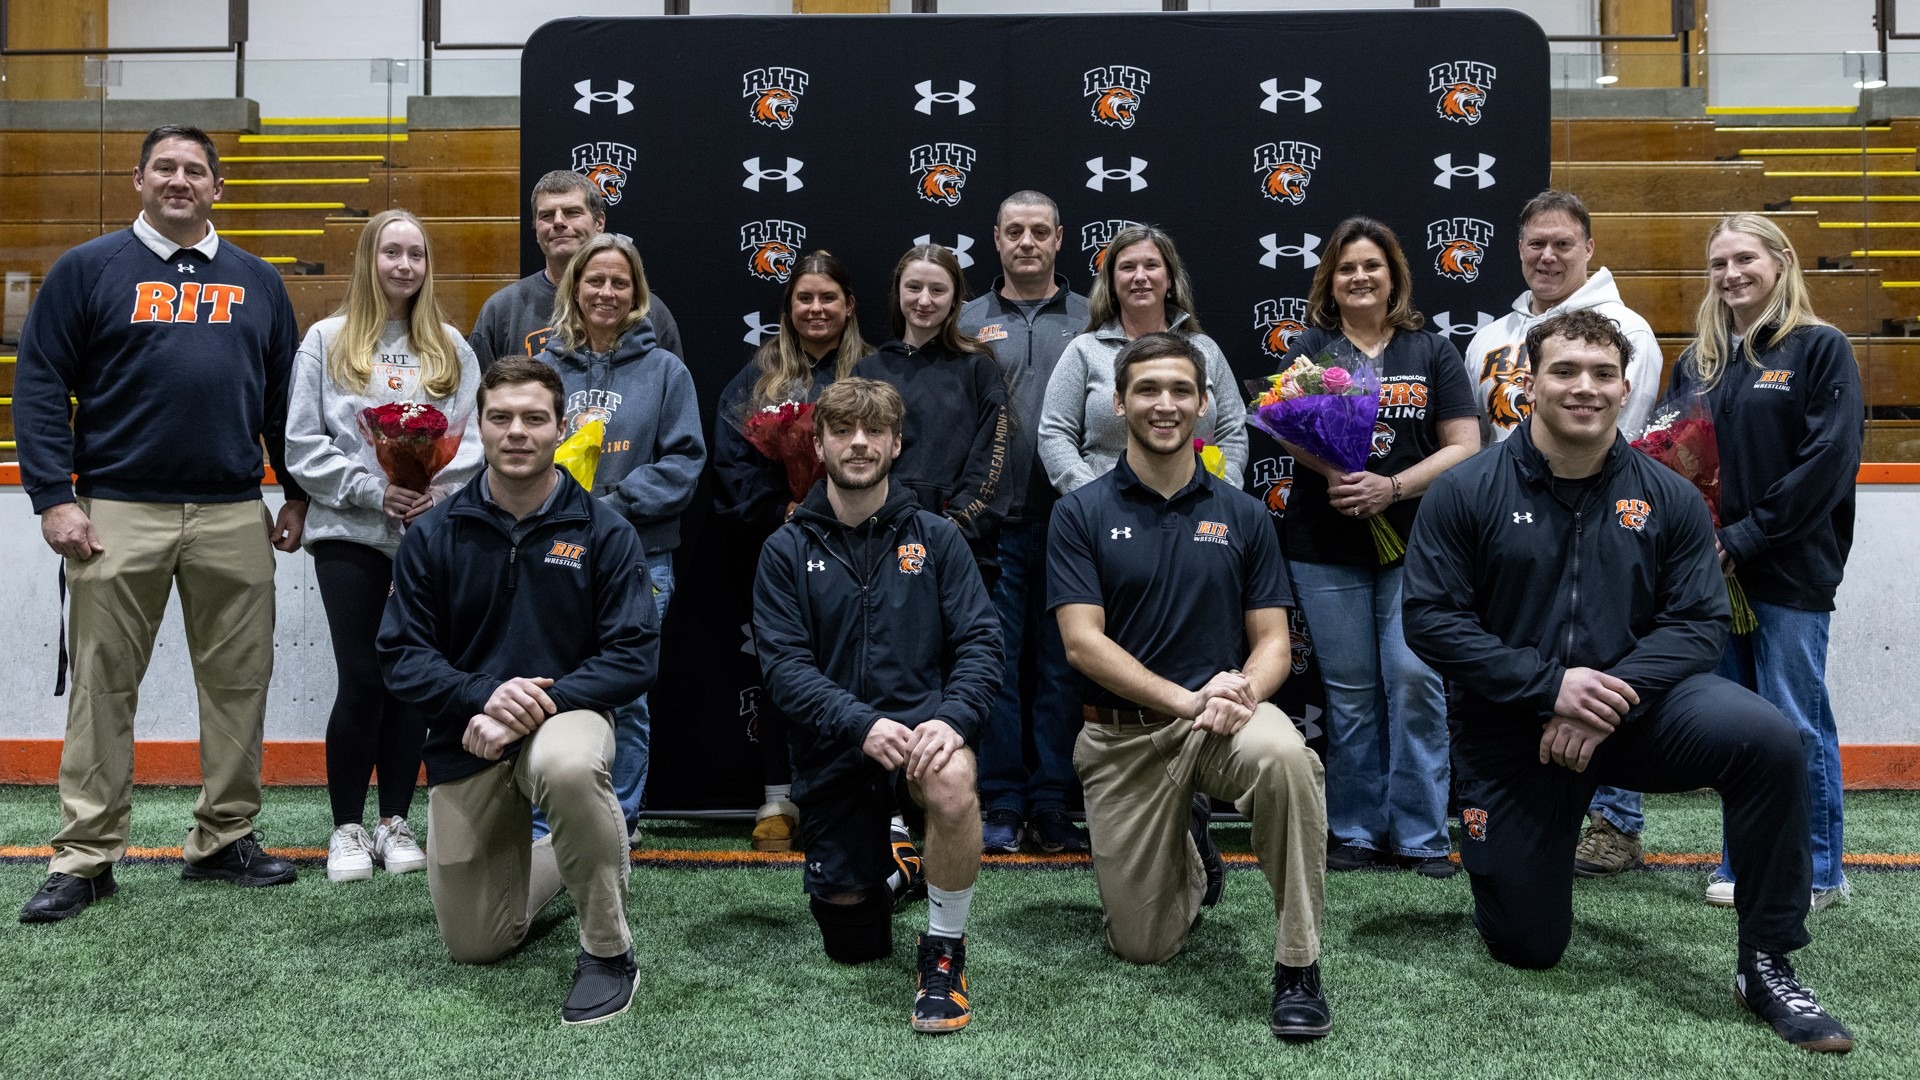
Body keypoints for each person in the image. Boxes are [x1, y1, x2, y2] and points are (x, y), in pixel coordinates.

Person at [1402, 308, 1854, 1054]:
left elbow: (1700, 623)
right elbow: (1431, 620)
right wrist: (1549, 688)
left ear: (1625, 387)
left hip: (1635, 715)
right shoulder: (1466, 490)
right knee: (1527, 945)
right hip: (1517, 729)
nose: (1585, 387)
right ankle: (1516, 870)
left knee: (1769, 739)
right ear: (1530, 384)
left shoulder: (1668, 495)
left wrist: (1601, 696)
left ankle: (1767, 963)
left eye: (1602, 374)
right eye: (1564, 371)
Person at [17, 124, 309, 923]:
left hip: (232, 509)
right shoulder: (87, 269)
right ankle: (85, 856)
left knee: (239, 683)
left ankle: (224, 838)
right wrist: (52, 496)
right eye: (165, 168)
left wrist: (294, 490)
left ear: (217, 187)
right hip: (116, 509)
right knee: (102, 686)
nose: (180, 180)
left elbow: (282, 398)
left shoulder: (258, 280)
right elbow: (40, 383)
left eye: (194, 170)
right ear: (139, 180)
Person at [1048, 332, 1331, 1040]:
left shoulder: (1243, 513)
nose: (1164, 404)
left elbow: (1273, 642)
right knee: (1143, 947)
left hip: (1222, 724)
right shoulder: (1080, 511)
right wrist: (1186, 700)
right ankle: (1194, 853)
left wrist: (1242, 692)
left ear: (1205, 404)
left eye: (1181, 390)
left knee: (1287, 757)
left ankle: (1298, 964)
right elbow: (1082, 642)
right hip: (1125, 738)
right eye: (1146, 389)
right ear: (1119, 404)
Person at [377, 357, 660, 1026]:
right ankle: (575, 850)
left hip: (568, 716)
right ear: (478, 427)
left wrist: (530, 707)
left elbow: (634, 657)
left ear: (561, 429)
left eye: (534, 418)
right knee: (477, 943)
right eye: (500, 417)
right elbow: (400, 655)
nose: (517, 432)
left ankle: (608, 950)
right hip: (470, 732)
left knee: (567, 766)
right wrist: (483, 696)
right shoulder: (434, 533)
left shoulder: (604, 531)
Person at [752, 378, 999, 1034]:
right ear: (819, 444)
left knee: (953, 780)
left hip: (923, 736)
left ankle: (944, 950)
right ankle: (899, 868)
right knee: (854, 941)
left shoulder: (937, 539)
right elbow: (784, 669)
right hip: (837, 749)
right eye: (842, 431)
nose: (858, 443)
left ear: (895, 444)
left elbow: (981, 642)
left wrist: (951, 719)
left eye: (874, 431)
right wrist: (860, 725)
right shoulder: (785, 550)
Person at [1461, 190, 1664, 875]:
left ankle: (1615, 821)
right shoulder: (1490, 337)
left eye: (1562, 244)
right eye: (1535, 244)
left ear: (1589, 249)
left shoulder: (1627, 330)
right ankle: (1529, 807)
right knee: (1525, 663)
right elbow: (1481, 441)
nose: (1547, 256)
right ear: (1519, 250)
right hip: (1507, 526)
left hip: (1597, 518)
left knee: (1603, 656)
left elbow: (1622, 434)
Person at [1273, 217, 1478, 878]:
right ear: (1330, 281)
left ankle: (1422, 834)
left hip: (1416, 544)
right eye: (1347, 267)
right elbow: (1287, 430)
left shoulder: (1431, 350)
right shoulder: (1312, 348)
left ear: (1394, 276)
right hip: (1325, 541)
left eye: (1372, 265)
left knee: (1415, 680)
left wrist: (1391, 489)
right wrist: (1336, 470)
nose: (1360, 277)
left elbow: (1464, 445)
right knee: (1351, 692)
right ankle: (1358, 829)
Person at [1672, 213, 1864, 913]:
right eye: (1719, 263)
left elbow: (1826, 464)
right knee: (1737, 727)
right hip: (1714, 572)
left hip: (1788, 570)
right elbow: (1671, 459)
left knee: (1793, 720)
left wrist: (1746, 537)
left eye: (1745, 259)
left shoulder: (1820, 348)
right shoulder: (1696, 362)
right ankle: (1743, 862)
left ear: (1780, 261)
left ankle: (1818, 872)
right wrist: (1695, 543)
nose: (1731, 274)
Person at [285, 209, 484, 882]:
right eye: (391, 252)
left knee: (411, 684)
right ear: (369, 260)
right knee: (364, 678)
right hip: (350, 534)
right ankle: (346, 827)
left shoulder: (451, 347)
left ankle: (395, 821)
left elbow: (474, 439)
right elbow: (302, 443)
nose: (404, 265)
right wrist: (375, 492)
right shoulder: (326, 340)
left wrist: (435, 493)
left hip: (427, 540)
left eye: (416, 254)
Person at [535, 232, 705, 843]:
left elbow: (683, 463)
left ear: (637, 293)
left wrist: (609, 509)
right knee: (551, 684)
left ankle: (619, 821)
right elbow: (520, 453)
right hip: (554, 555)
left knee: (627, 694)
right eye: (595, 280)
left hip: (641, 557)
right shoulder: (545, 370)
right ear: (574, 287)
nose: (606, 292)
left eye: (619, 281)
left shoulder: (665, 371)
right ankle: (547, 821)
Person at [713, 249, 874, 852]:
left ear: (849, 305)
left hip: (863, 546)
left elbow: (895, 449)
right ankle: (779, 796)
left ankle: (858, 791)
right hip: (781, 548)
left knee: (861, 666)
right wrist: (783, 509)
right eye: (804, 298)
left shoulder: (875, 371)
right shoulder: (757, 381)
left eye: (828, 297)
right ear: (788, 307)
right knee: (784, 666)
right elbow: (732, 467)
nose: (816, 308)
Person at [957, 191, 1092, 857]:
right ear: (996, 238)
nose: (1027, 242)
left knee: (1064, 668)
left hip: (1075, 522)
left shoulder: (1093, 315)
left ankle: (1052, 803)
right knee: (999, 667)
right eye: (1015, 231)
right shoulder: (966, 320)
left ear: (1060, 238)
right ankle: (1003, 800)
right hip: (994, 524)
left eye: (1040, 231)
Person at [1038, 223, 1248, 495]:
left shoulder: (1205, 349)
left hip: (1198, 506)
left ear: (1170, 278)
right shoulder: (1084, 351)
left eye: (1151, 265)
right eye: (1127, 267)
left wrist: (1220, 493)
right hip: (1108, 508)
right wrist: (1093, 500)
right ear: (1111, 282)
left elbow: (1232, 432)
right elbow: (1055, 434)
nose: (1140, 276)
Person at [853, 243, 1010, 579]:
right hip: (879, 544)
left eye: (937, 290)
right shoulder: (867, 371)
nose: (924, 300)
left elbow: (992, 465)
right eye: (914, 287)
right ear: (898, 292)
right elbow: (854, 457)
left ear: (955, 299)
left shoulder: (978, 369)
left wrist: (951, 528)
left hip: (961, 547)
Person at [468, 170, 682, 371]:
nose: (558, 222)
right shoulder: (502, 310)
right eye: (546, 215)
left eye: (572, 212)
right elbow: (481, 394)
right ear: (535, 228)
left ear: (599, 222)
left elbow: (671, 384)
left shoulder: (646, 309)